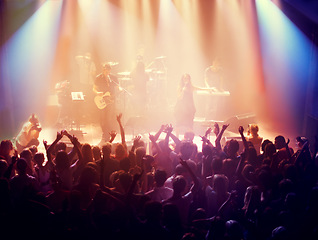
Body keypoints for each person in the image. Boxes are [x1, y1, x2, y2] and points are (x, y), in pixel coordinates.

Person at [93, 63, 120, 142]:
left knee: (109, 117)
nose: (106, 72)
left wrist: (120, 89)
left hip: (110, 100)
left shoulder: (113, 78)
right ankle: (104, 132)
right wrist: (97, 93)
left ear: (110, 70)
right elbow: (94, 88)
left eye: (108, 70)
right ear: (103, 70)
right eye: (105, 70)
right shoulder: (98, 78)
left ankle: (108, 133)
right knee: (103, 118)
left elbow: (118, 87)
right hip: (102, 99)